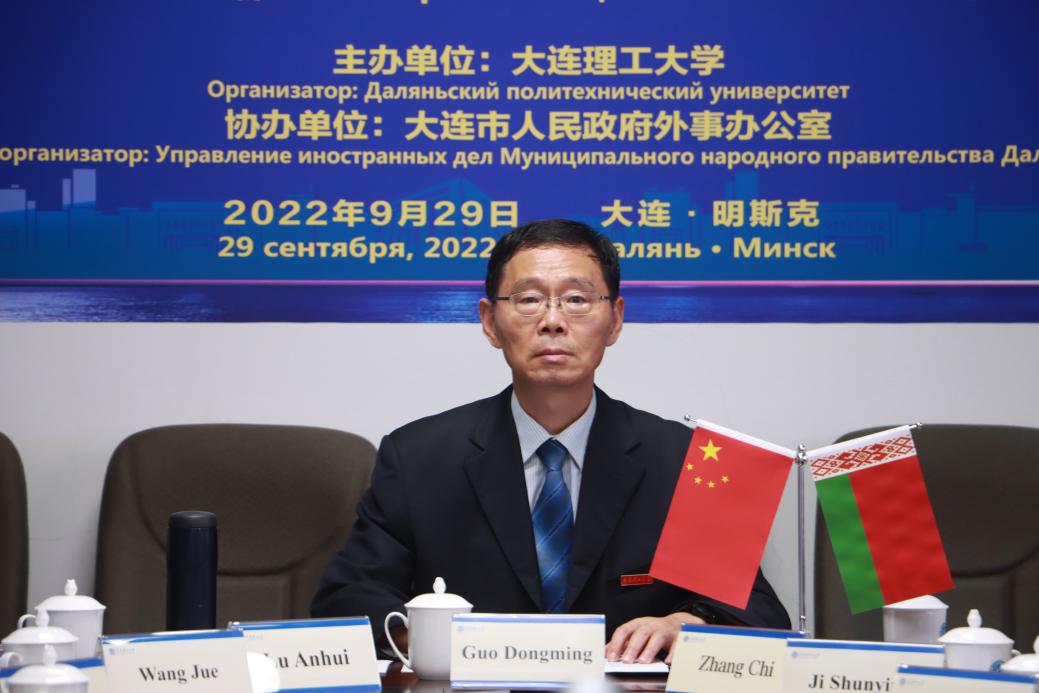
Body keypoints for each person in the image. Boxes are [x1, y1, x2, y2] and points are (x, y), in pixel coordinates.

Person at [311, 218, 790, 663]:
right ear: (489, 322)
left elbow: (759, 611)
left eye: (578, 299)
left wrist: (686, 623)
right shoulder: (418, 457)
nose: (553, 321)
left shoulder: (686, 459)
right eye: (529, 300)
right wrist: (439, 644)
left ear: (615, 320)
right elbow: (348, 600)